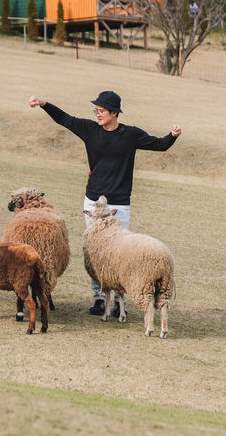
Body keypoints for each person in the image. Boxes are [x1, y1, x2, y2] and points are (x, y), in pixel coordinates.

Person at [28, 89, 182, 315]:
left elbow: (159, 145)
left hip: (119, 204)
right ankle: (100, 299)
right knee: (95, 252)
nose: (98, 114)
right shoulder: (90, 130)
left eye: (101, 111)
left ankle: (121, 303)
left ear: (114, 113)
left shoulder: (130, 135)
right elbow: (64, 119)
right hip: (92, 201)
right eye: (96, 110)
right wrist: (43, 103)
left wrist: (173, 135)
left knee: (119, 254)